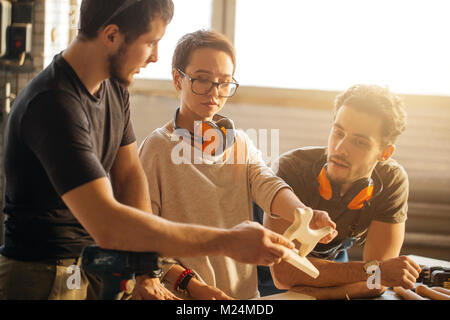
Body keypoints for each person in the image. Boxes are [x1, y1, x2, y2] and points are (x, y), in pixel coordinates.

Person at [0, 0, 298, 300]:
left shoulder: (113, 88)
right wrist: (228, 241)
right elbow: (110, 224)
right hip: (44, 273)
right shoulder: (54, 104)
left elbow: (130, 178)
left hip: (91, 264)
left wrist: (145, 271)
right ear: (112, 35)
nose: (155, 56)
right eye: (150, 42)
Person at [138, 30, 337, 300]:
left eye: (224, 83)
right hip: (186, 297)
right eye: (202, 80)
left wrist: (304, 214)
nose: (214, 93)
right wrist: (194, 288)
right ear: (177, 79)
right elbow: (143, 240)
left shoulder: (239, 143)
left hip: (244, 297)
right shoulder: (158, 148)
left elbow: (267, 183)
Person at [257, 84, 422, 299]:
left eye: (359, 142)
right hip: (259, 273)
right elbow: (286, 274)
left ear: (385, 153)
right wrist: (370, 272)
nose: (339, 148)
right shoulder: (291, 168)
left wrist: (322, 294)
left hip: (330, 269)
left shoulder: (391, 182)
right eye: (338, 132)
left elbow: (378, 282)